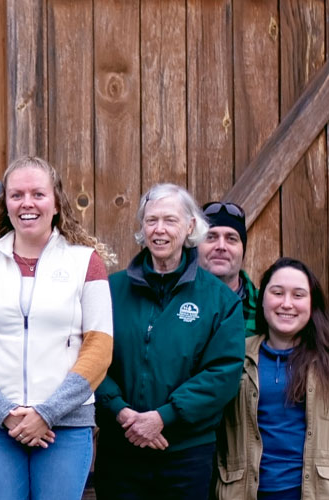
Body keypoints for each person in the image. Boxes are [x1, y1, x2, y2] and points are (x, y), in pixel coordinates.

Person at [0, 157, 116, 500]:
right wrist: (5, 413)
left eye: (38, 194)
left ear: (56, 202)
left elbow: (99, 348)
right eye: (16, 195)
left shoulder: (85, 261)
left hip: (65, 424)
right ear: (5, 204)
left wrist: (47, 412)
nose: (27, 203)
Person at [94, 183, 246, 500]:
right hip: (121, 448)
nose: (159, 230)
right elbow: (89, 357)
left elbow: (223, 373)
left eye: (170, 220)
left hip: (186, 453)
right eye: (151, 220)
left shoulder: (219, 299)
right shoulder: (109, 290)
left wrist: (163, 417)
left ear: (190, 227)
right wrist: (121, 412)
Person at [215, 258, 329, 500]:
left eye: (298, 295)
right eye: (277, 293)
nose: (286, 304)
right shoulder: (236, 356)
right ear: (263, 299)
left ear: (312, 303)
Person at [200, 201, 260, 334]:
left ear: (243, 250)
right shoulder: (176, 302)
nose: (221, 246)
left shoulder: (265, 307)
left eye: (231, 239)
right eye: (211, 237)